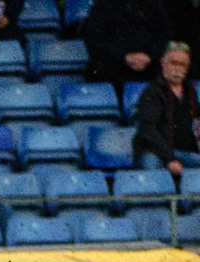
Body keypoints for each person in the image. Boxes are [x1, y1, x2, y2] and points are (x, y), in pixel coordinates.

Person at [135, 41, 200, 173]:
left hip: (183, 153)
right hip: (155, 153)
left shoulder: (190, 91)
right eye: (173, 63)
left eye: (182, 65)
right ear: (163, 62)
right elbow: (147, 130)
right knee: (151, 169)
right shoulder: (152, 92)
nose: (178, 69)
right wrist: (170, 158)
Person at [82, 0, 174, 85]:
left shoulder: (153, 4)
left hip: (148, 64)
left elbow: (164, 34)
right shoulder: (103, 5)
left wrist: (150, 56)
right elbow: (95, 39)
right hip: (113, 65)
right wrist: (124, 56)